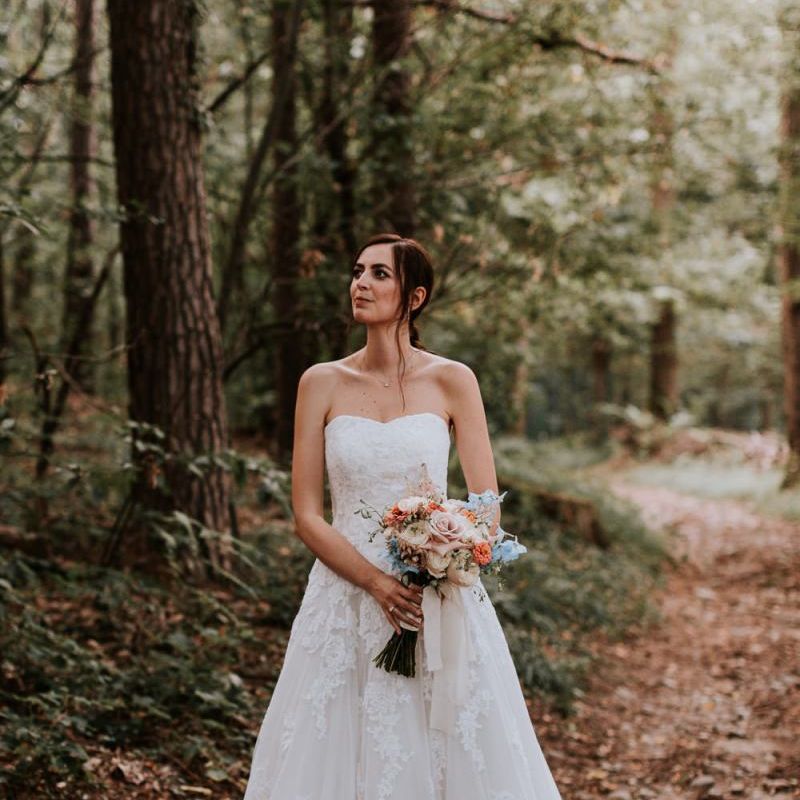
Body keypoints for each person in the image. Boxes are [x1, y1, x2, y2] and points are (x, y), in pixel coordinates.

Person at [241, 233, 563, 799]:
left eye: (379, 274)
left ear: (413, 297)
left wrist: (446, 553)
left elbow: (486, 503)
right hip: (344, 594)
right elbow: (307, 515)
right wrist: (376, 583)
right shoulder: (320, 383)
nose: (360, 283)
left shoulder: (452, 380)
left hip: (434, 600)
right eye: (357, 270)